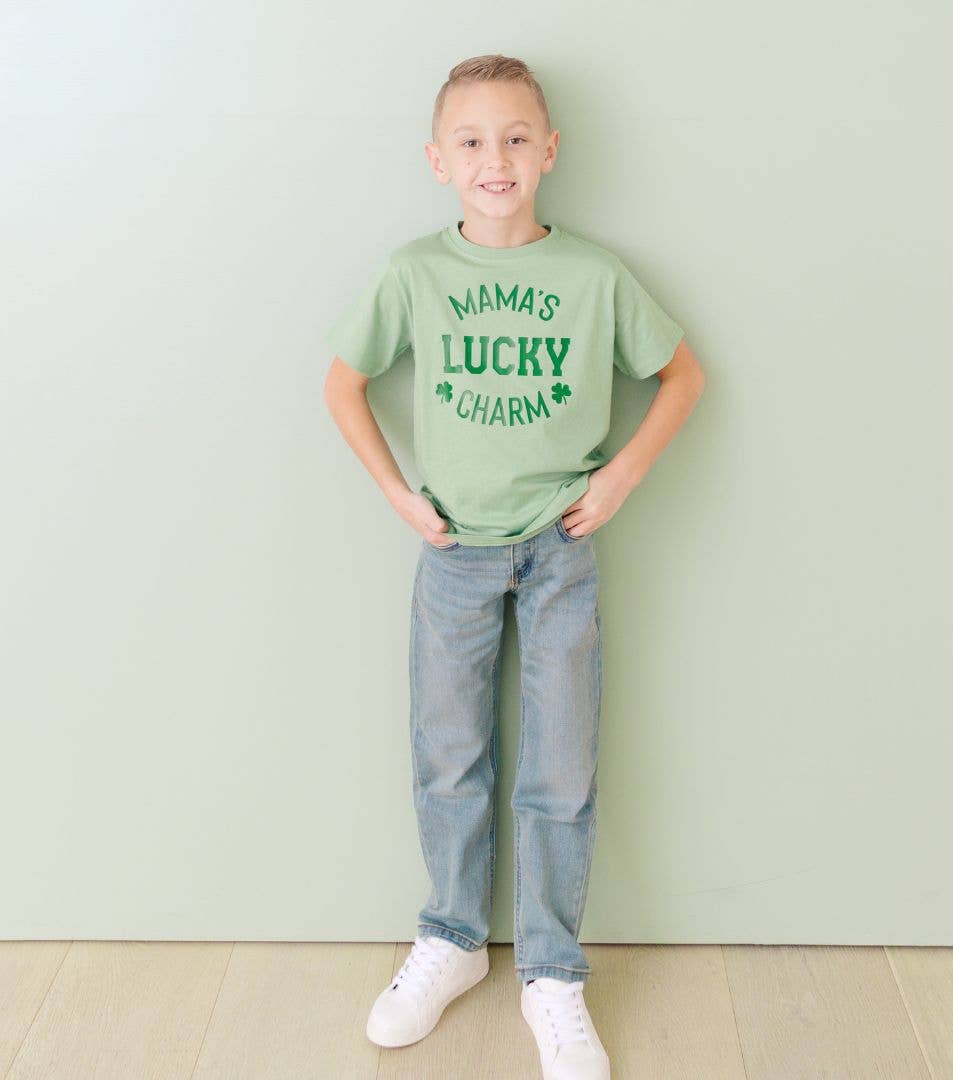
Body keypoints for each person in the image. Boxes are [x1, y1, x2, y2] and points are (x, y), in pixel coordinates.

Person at [323, 52, 705, 1080]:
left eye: (515, 137)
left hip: (561, 550)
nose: (497, 158)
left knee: (560, 769)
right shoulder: (415, 272)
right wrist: (399, 494)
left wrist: (619, 477)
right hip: (454, 553)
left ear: (550, 149)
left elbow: (681, 372)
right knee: (449, 756)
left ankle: (551, 973)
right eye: (473, 141)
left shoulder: (592, 275)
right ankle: (450, 939)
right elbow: (343, 381)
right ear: (439, 161)